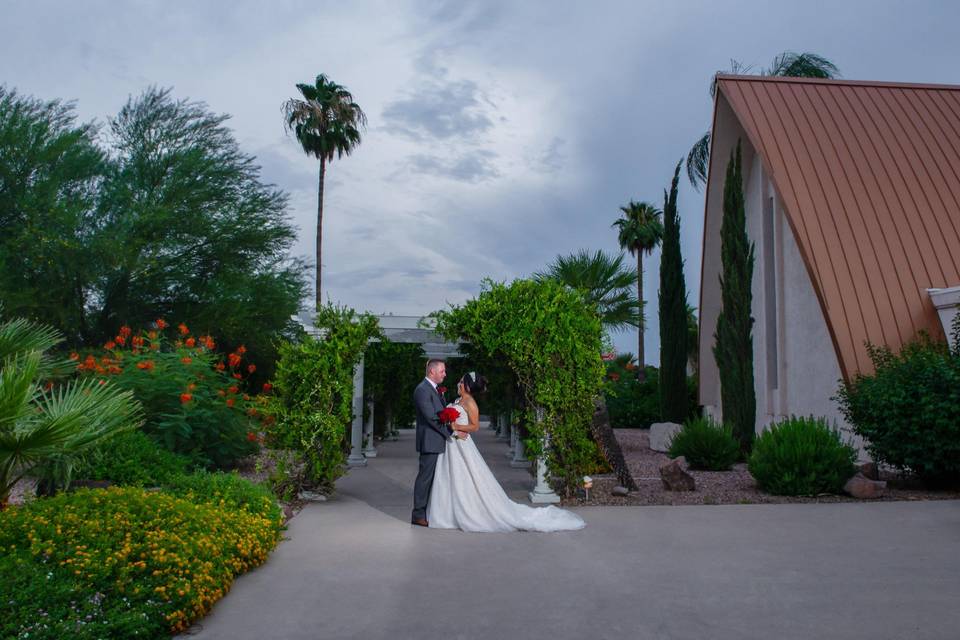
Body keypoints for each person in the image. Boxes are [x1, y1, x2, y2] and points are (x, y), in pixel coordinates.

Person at [427, 372, 586, 533]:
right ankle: (448, 513)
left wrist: (456, 427)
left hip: (461, 444)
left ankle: (468, 510)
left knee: (466, 477)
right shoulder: (457, 400)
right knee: (449, 476)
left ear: (468, 386)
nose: (458, 384)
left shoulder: (470, 402)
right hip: (451, 444)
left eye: (461, 382)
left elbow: (475, 426)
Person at [411, 358, 454, 527]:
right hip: (430, 441)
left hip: (436, 440)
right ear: (432, 372)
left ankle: (429, 512)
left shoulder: (434, 389)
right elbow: (431, 418)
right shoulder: (422, 390)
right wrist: (451, 432)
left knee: (435, 479)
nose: (445, 374)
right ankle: (418, 515)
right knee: (425, 479)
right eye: (442, 371)